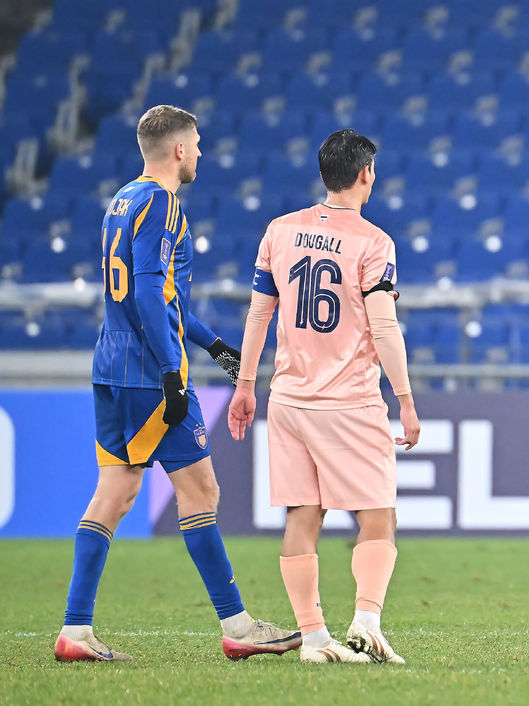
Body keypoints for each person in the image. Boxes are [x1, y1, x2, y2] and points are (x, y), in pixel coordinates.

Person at [54, 105, 301, 663]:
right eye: (198, 144)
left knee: (115, 493)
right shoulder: (164, 205)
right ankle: (238, 625)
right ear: (180, 150)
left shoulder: (122, 201)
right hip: (148, 376)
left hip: (109, 366)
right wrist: (172, 373)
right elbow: (147, 294)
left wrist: (212, 344)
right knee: (201, 492)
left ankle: (75, 628)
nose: (202, 154)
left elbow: (156, 295)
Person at [227, 128, 420, 665]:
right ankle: (366, 623)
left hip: (287, 399)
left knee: (302, 515)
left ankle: (313, 638)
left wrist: (245, 384)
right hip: (349, 400)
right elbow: (384, 329)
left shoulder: (280, 231)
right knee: (378, 514)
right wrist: (404, 398)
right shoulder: (374, 242)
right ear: (366, 174)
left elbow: (258, 314)